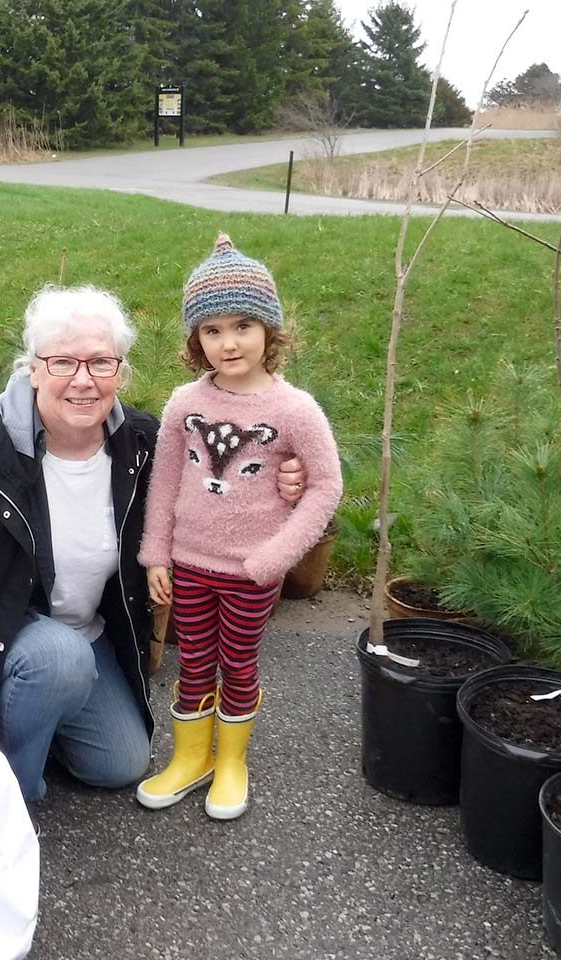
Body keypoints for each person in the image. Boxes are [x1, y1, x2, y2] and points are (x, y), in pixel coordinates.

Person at [0, 285, 307, 804]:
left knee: (121, 763)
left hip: (84, 635)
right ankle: (5, 796)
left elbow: (215, 492)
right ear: (33, 369)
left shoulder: (140, 443)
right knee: (59, 660)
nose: (83, 381)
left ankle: (36, 709)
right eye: (63, 362)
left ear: (120, 371)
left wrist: (282, 478)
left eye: (100, 363)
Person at [136, 234, 342, 820]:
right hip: (189, 566)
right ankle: (190, 758)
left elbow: (325, 486)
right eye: (212, 330)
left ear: (270, 330)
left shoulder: (293, 410)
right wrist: (156, 555)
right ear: (195, 340)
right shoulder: (183, 404)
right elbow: (166, 483)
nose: (229, 343)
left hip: (252, 570)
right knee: (193, 659)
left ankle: (231, 763)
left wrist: (275, 558)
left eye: (243, 325)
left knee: (239, 662)